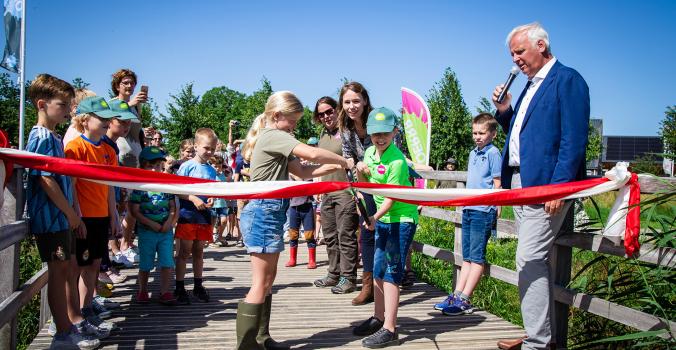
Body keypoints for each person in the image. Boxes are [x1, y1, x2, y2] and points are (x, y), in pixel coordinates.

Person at [492, 22, 590, 350]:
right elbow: (524, 133)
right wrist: (505, 110)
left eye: (519, 52)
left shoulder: (567, 80)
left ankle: (537, 343)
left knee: (529, 258)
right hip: (522, 182)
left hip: (546, 186)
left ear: (541, 46)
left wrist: (559, 187)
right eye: (512, 54)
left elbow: (573, 140)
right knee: (536, 262)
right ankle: (538, 335)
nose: (515, 60)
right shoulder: (531, 85)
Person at [234, 91, 353, 350]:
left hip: (273, 212)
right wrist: (344, 159)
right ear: (277, 116)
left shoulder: (277, 138)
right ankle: (246, 345)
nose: (295, 127)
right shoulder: (274, 135)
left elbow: (302, 170)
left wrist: (337, 168)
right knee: (260, 282)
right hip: (264, 211)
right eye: (293, 121)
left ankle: (261, 339)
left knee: (268, 280)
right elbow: (311, 154)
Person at [26, 74, 101, 349]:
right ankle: (62, 333)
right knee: (58, 274)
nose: (69, 109)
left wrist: (72, 215)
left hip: (62, 219)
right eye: (63, 103)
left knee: (66, 269)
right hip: (52, 219)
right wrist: (70, 213)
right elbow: (44, 178)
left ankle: (67, 326)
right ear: (42, 104)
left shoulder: (54, 137)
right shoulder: (42, 137)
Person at [352, 107, 418, 348]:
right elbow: (366, 186)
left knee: (391, 272)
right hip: (382, 220)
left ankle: (390, 328)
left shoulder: (398, 161)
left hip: (400, 220)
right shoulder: (370, 152)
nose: (380, 138)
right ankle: (378, 318)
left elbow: (390, 198)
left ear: (395, 133)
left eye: (385, 133)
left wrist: (373, 217)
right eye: (375, 133)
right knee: (378, 269)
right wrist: (360, 171)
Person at [434, 113, 501, 315]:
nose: (477, 136)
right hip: (469, 207)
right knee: (467, 257)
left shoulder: (493, 153)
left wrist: (498, 206)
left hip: (483, 209)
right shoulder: (473, 153)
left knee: (477, 257)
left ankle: (465, 298)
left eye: (482, 133)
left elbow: (497, 182)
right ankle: (456, 294)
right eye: (474, 132)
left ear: (493, 134)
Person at [65, 96, 121, 335]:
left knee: (95, 264)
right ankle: (74, 316)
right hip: (84, 217)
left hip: (101, 216)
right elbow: (72, 186)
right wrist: (77, 217)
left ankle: (88, 310)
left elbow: (109, 186)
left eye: (109, 117)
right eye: (101, 117)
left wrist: (114, 216)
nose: (107, 121)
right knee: (79, 265)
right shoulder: (75, 148)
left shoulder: (109, 150)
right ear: (85, 120)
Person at [311, 97, 360, 293]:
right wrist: (318, 188)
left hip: (345, 191)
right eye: (321, 114)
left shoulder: (348, 132)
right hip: (326, 191)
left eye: (329, 111)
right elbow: (320, 164)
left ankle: (348, 277)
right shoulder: (323, 135)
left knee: (345, 235)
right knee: (330, 235)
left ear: (337, 109)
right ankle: (334, 273)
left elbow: (356, 159)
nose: (326, 116)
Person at [174, 128, 219, 304]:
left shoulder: (211, 170)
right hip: (188, 215)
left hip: (204, 215)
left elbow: (211, 190)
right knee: (184, 252)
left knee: (199, 251)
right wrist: (192, 198)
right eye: (206, 148)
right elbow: (178, 191)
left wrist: (212, 198)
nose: (209, 152)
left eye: (213, 149)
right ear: (196, 145)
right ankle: (179, 286)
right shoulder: (186, 166)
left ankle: (198, 285)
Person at [130, 146, 178, 305]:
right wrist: (152, 224)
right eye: (150, 166)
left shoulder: (165, 185)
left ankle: (165, 291)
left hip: (165, 231)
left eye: (158, 165)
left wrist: (169, 223)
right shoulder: (139, 188)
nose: (155, 169)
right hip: (146, 231)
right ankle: (143, 290)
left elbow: (172, 207)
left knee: (167, 262)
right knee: (145, 263)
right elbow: (135, 211)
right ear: (142, 166)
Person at [284, 139, 320, 269]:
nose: (302, 161)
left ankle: (312, 260)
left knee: (309, 235)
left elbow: (308, 183)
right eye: (299, 159)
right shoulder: (290, 171)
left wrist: (298, 175)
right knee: (293, 234)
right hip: (293, 206)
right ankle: (292, 259)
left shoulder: (308, 171)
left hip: (307, 205)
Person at [209, 154, 230, 247]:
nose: (217, 169)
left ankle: (220, 236)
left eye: (219, 166)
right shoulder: (209, 175)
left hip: (222, 202)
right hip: (212, 203)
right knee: (212, 222)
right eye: (215, 166)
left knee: (224, 220)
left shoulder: (223, 176)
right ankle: (210, 239)